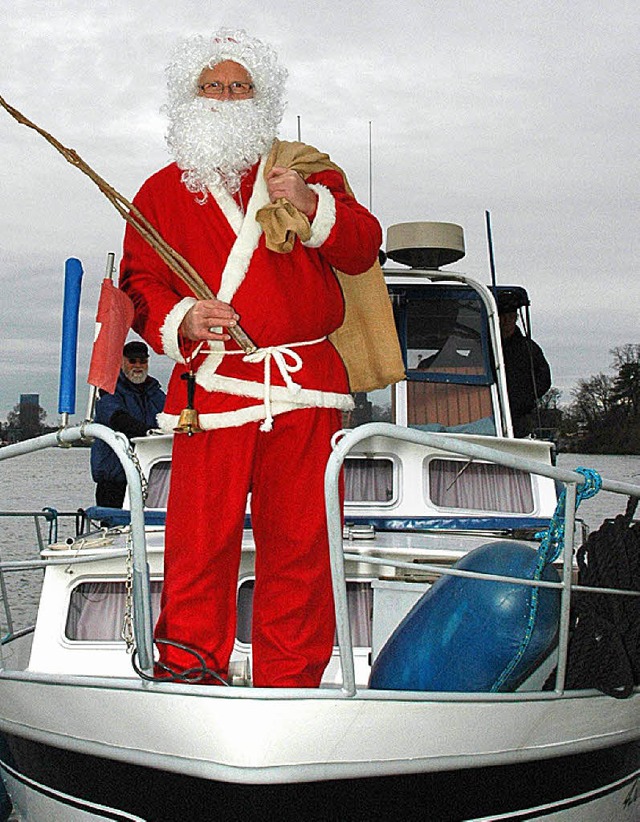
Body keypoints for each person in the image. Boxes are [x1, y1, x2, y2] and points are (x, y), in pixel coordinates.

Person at [119, 29, 387, 687]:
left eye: (241, 86)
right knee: (197, 542)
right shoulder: (159, 192)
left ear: (261, 97)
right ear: (191, 96)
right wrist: (187, 318)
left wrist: (308, 202)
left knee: (303, 543)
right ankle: (188, 669)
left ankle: (290, 681)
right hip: (212, 384)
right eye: (214, 85)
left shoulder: (304, 173)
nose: (227, 97)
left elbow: (361, 249)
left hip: (306, 384)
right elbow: (139, 284)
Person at [90, 341, 166, 507]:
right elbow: (117, 419)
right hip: (114, 482)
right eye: (132, 361)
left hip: (152, 482)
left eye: (142, 361)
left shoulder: (156, 394)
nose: (138, 366)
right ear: (122, 361)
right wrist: (150, 432)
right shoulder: (109, 392)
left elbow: (172, 417)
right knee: (113, 529)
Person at [498, 293, 551, 437]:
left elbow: (544, 380)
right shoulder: (484, 346)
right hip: (487, 410)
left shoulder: (529, 348)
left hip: (519, 416)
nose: (506, 321)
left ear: (516, 318)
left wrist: (524, 399)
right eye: (502, 316)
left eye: (510, 316)